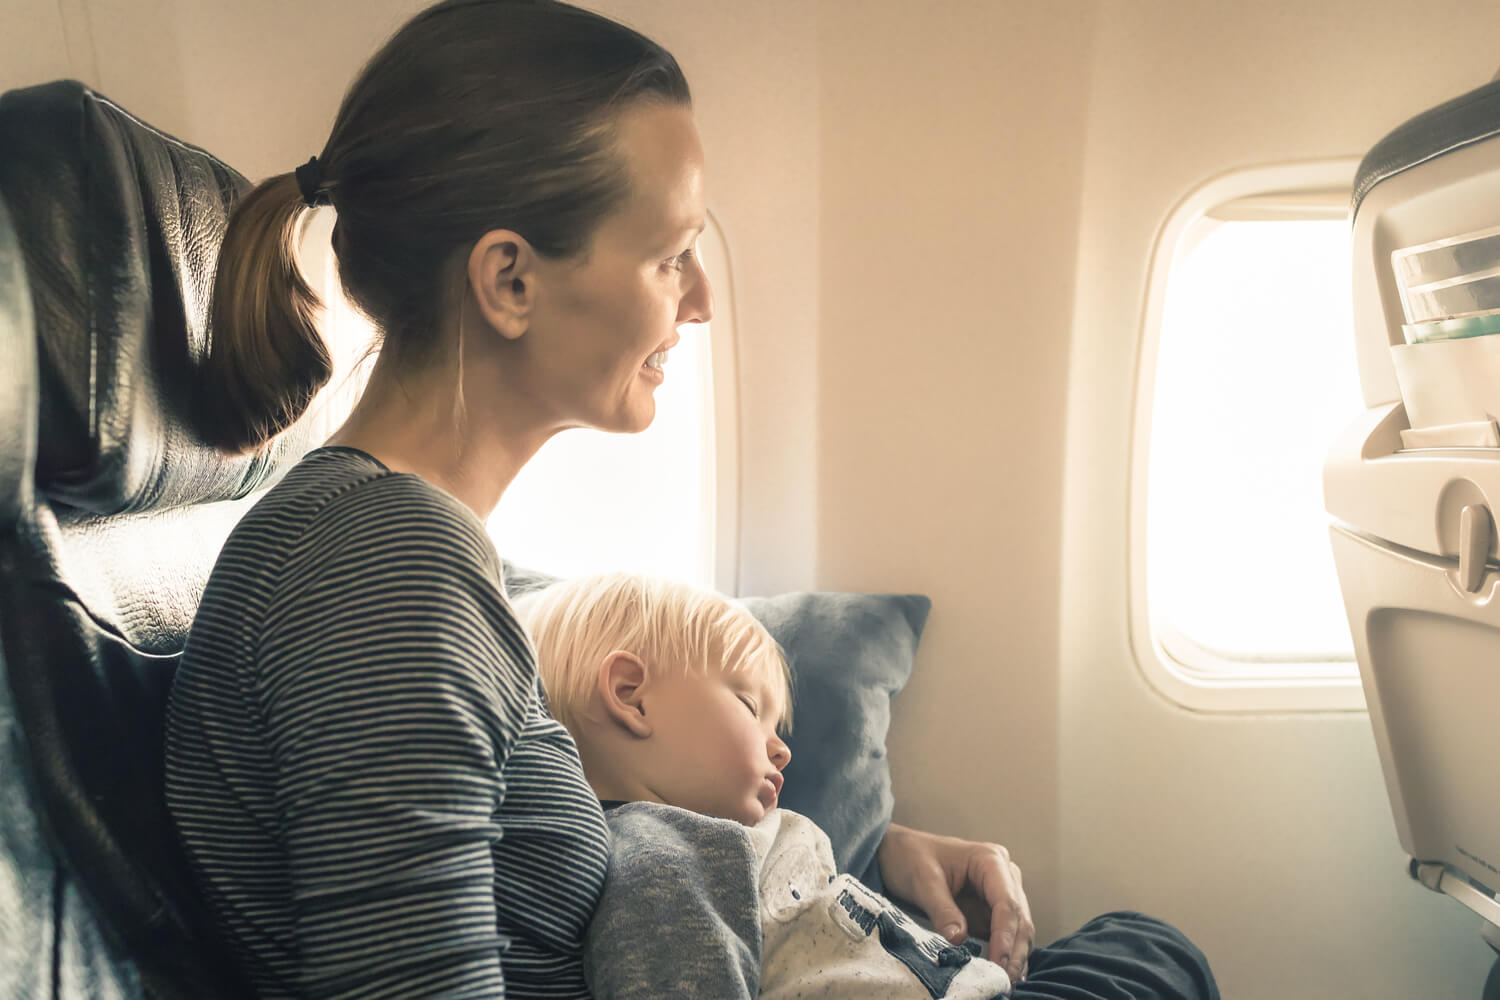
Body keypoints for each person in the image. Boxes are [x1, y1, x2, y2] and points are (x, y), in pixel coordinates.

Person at [163, 2, 1046, 997]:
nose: (702, 297)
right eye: (670, 256)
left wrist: (860, 855)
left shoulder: (415, 553)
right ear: (510, 281)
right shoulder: (384, 571)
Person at [519, 572, 1221, 1000]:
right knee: (1148, 954)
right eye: (747, 704)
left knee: (1133, 944)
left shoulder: (723, 836)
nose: (780, 744)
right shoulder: (659, 859)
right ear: (632, 696)